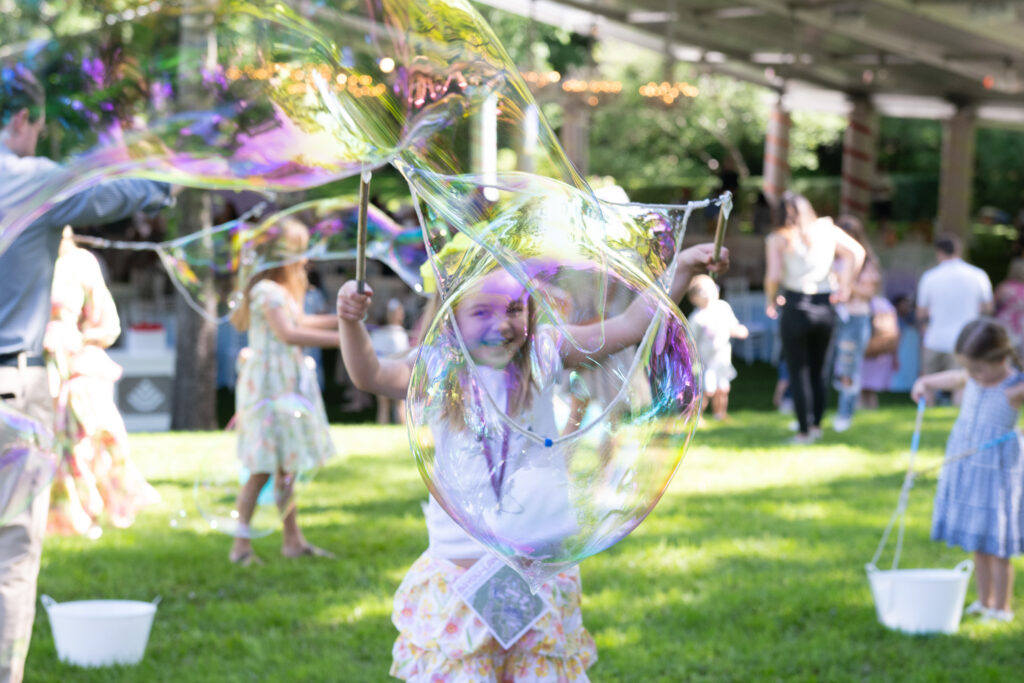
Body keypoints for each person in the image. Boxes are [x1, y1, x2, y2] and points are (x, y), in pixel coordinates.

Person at [338, 241, 728, 680]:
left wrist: (683, 269)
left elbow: (628, 325)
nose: (501, 324)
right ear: (449, 315)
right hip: (461, 571)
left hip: (539, 568)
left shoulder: (543, 353)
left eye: (513, 309)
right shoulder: (438, 366)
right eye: (481, 311)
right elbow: (370, 375)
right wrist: (350, 323)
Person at [0, 64, 173, 683]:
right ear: (22, 119)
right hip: (11, 391)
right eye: (38, 128)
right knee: (11, 553)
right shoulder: (28, 180)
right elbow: (123, 195)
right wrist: (162, 165)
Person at [226, 218, 339, 566]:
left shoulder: (281, 293)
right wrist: (341, 341)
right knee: (262, 468)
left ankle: (293, 540)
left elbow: (301, 322)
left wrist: (343, 318)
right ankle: (240, 546)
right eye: (299, 252)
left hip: (284, 383)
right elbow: (289, 333)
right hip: (267, 386)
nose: (304, 259)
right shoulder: (264, 292)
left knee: (286, 465)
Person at [43, 227, 159, 537]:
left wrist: (73, 339)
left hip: (77, 366)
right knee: (56, 445)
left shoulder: (81, 263)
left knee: (91, 439)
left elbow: (107, 324)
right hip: (37, 368)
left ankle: (94, 509)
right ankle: (69, 517)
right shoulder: (26, 260)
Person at [911, 318, 1024, 623]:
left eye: (977, 370)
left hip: (997, 475)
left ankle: (1002, 608)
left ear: (1001, 359)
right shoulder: (973, 377)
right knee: (978, 540)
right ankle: (984, 601)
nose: (971, 376)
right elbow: (955, 378)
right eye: (968, 369)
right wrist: (927, 382)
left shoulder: (1013, 388)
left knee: (998, 544)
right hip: (969, 471)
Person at [764, 192, 865, 444]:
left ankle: (804, 430)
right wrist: (846, 285)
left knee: (798, 370)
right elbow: (856, 252)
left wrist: (770, 299)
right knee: (820, 370)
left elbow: (773, 275)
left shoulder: (778, 238)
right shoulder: (827, 231)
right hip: (824, 306)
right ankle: (816, 425)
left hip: (796, 305)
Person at [915, 234, 994, 405]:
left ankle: (925, 416)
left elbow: (921, 312)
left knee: (928, 380)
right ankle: (956, 415)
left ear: (939, 252)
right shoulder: (978, 275)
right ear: (958, 250)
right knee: (962, 382)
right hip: (967, 338)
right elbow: (988, 307)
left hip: (935, 337)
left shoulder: (930, 277)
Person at [830, 215, 880, 432]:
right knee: (834, 368)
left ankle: (845, 414)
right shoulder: (830, 259)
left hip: (856, 317)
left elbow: (869, 293)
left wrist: (847, 283)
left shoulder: (866, 262)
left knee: (849, 367)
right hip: (835, 316)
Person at [687, 274, 748, 421]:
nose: (709, 293)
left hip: (722, 358)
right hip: (706, 361)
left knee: (724, 388)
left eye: (712, 288)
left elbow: (732, 325)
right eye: (703, 291)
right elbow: (690, 340)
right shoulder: (697, 318)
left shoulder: (723, 307)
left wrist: (739, 330)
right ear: (693, 298)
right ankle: (697, 417)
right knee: (707, 390)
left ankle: (720, 414)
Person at [370, 298, 411, 425]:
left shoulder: (377, 333)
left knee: (385, 405)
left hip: (380, 369)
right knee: (397, 404)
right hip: (394, 370)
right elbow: (404, 354)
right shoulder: (400, 334)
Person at [858, 295, 900, 409]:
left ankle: (861, 416)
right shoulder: (884, 303)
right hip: (877, 351)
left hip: (867, 350)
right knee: (868, 390)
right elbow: (895, 332)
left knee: (861, 390)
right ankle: (868, 414)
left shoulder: (880, 303)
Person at [995, 258, 1024, 358]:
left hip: (1005, 322)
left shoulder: (1004, 287)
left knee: (1005, 352)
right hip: (1021, 324)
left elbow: (993, 305)